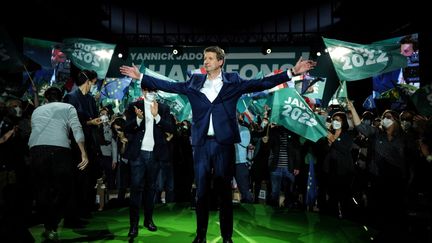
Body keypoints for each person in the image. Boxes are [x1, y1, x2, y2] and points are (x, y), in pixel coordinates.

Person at [120, 46, 316, 243]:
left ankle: (227, 237)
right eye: (205, 58)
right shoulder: (194, 83)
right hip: (202, 145)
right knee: (202, 193)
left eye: (211, 58)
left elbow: (261, 83)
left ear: (220, 62)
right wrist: (141, 77)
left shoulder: (233, 82)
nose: (206, 61)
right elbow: (170, 86)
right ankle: (200, 236)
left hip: (224, 144)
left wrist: (292, 72)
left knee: (224, 193)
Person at [28, 87, 88, 242]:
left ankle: (49, 226)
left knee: (42, 190)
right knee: (65, 189)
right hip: (59, 149)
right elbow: (77, 128)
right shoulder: (68, 107)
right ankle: (52, 222)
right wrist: (83, 151)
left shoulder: (37, 111)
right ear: (61, 97)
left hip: (36, 149)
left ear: (46, 98)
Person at [122, 86, 175, 238]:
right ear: (143, 91)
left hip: (155, 154)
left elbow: (171, 128)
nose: (150, 93)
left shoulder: (163, 108)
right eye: (147, 90)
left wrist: (157, 116)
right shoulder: (134, 106)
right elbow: (127, 129)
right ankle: (133, 225)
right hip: (138, 154)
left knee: (152, 189)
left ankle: (148, 220)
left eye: (153, 90)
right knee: (136, 188)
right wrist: (138, 119)